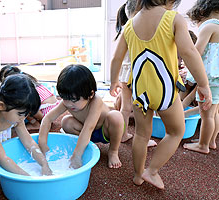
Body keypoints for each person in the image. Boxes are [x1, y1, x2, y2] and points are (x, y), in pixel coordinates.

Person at [110, 0, 212, 189]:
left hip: (139, 91)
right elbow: (189, 52)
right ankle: (152, 170)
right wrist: (203, 84)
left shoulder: (129, 24)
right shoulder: (173, 19)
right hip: (164, 89)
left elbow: (116, 57)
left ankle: (138, 175)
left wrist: (113, 81)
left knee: (141, 134)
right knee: (176, 131)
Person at [39, 64, 125, 169]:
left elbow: (89, 127)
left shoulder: (96, 101)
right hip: (86, 133)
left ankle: (113, 151)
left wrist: (77, 156)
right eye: (65, 98)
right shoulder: (67, 102)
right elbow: (47, 119)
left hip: (104, 131)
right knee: (66, 122)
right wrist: (42, 144)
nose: (69, 104)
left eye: (74, 100)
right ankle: (87, 145)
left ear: (91, 94)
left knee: (116, 116)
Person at [113, 0, 157, 147]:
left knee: (125, 108)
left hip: (125, 74)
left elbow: (116, 58)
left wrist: (114, 80)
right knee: (144, 108)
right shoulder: (140, 27)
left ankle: (122, 135)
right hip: (140, 73)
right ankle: (144, 138)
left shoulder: (125, 29)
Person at [183, 0, 219, 153]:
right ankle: (210, 141)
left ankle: (202, 145)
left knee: (206, 115)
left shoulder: (208, 26)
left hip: (209, 78)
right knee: (214, 112)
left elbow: (196, 52)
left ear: (203, 11)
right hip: (217, 77)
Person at [0, 65, 59, 130]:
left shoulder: (22, 89)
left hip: (46, 115)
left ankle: (35, 124)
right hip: (55, 111)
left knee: (23, 105)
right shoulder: (30, 82)